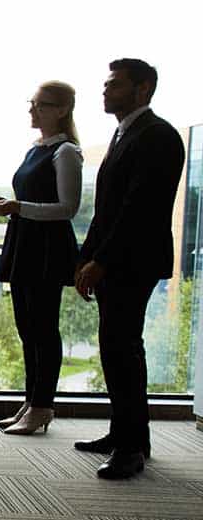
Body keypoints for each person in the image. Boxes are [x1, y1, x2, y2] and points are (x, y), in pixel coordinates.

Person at [73, 59, 185, 480]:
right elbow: (106, 211)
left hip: (133, 262)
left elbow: (140, 211)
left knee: (123, 350)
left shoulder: (158, 136)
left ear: (144, 89)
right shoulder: (125, 134)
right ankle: (126, 434)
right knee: (115, 348)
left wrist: (101, 260)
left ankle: (132, 448)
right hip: (115, 259)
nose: (105, 92)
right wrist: (85, 256)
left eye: (115, 86)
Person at [0, 81, 83, 435]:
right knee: (28, 328)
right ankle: (32, 401)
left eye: (41, 105)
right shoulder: (35, 149)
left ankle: (42, 406)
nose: (32, 110)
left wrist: (17, 207)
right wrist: (2, 204)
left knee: (43, 329)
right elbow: (31, 200)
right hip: (25, 242)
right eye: (32, 103)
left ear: (62, 110)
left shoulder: (66, 151)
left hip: (46, 250)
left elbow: (68, 208)